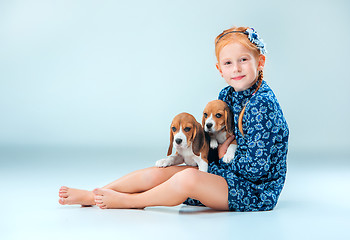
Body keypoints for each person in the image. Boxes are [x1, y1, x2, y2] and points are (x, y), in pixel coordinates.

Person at [58, 26, 289, 212]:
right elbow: (211, 140)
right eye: (229, 63)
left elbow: (256, 169)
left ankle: (130, 202)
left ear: (260, 62)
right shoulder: (226, 95)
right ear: (220, 69)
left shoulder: (262, 104)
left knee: (188, 178)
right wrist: (193, 154)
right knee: (161, 172)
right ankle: (94, 194)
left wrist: (219, 156)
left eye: (244, 60)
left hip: (254, 190)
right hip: (224, 174)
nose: (236, 69)